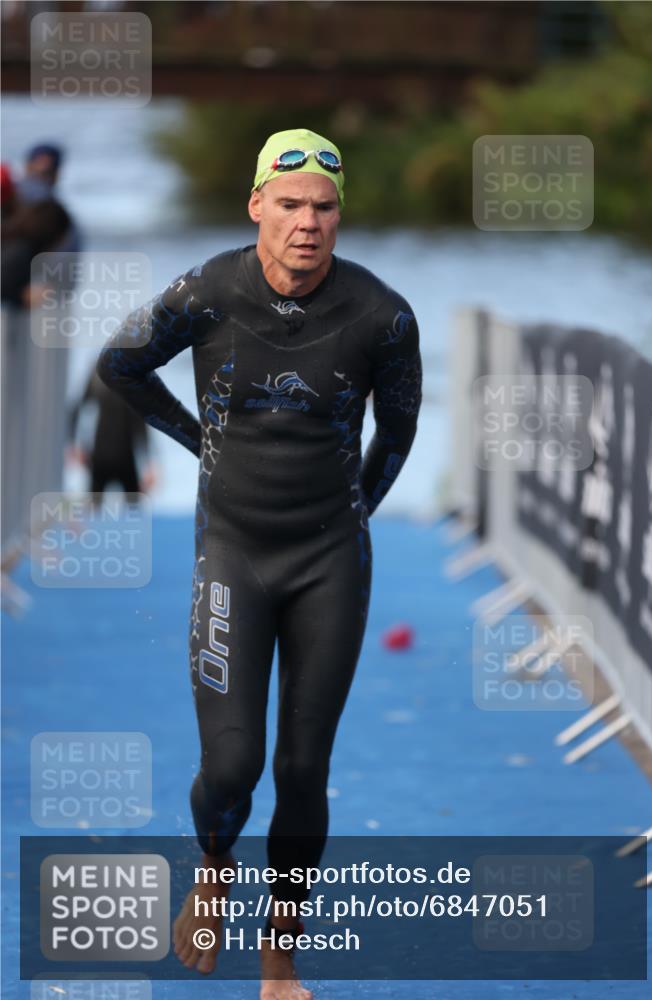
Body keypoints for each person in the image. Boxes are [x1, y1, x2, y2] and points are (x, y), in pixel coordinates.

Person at [97, 128, 422, 999]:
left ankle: (280, 958)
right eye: (289, 205)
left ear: (338, 215)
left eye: (322, 207)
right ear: (256, 207)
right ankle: (214, 863)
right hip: (232, 553)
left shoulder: (383, 316)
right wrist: (196, 439)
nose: (306, 223)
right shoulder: (206, 291)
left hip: (330, 562)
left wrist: (352, 517)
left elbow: (397, 436)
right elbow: (120, 364)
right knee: (232, 767)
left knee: (303, 769)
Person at [68, 366, 157, 501]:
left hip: (127, 456)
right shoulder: (99, 370)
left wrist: (149, 462)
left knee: (133, 507)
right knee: (94, 505)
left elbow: (141, 420)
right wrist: (74, 445)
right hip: (100, 455)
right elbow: (78, 408)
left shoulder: (135, 369)